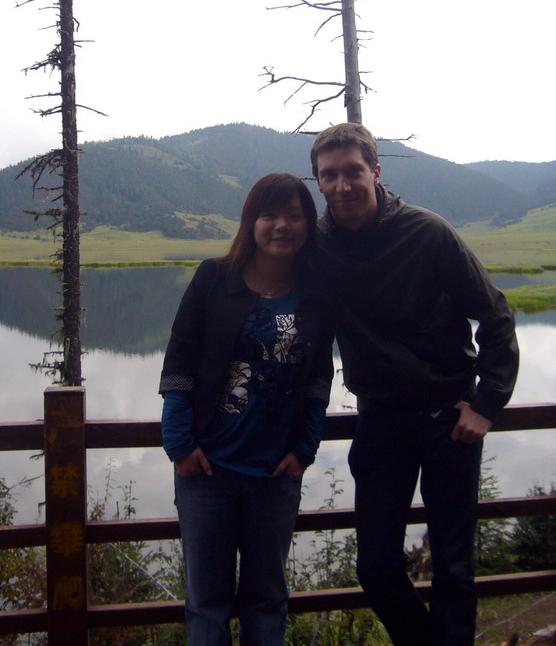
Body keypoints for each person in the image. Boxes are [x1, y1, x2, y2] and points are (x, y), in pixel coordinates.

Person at [309, 123, 519, 646]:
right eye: (329, 175)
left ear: (375, 172)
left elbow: (495, 316)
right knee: (376, 568)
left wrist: (487, 402)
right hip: (381, 420)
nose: (342, 185)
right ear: (317, 182)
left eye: (352, 171)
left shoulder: (429, 233)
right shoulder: (317, 246)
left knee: (454, 567)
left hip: (450, 420)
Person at [159, 172, 333, 646]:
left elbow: (319, 378)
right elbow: (179, 364)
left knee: (267, 600)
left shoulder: (316, 293)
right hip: (207, 470)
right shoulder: (214, 278)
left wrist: (305, 449)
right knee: (207, 603)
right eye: (270, 214)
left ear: (308, 224)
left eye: (295, 216)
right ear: (251, 222)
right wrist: (179, 444)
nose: (282, 225)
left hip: (275, 474)